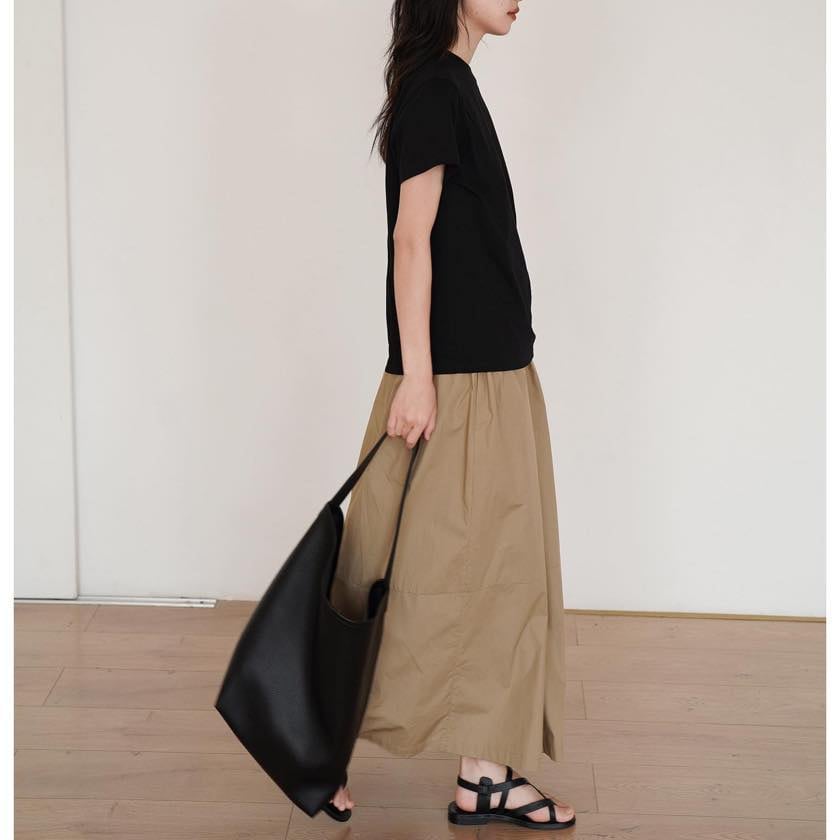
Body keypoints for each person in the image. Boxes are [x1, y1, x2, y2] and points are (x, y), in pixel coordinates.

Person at [328, 0, 576, 830]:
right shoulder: (437, 87)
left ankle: (482, 775)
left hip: (486, 376)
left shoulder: (448, 84)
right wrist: (419, 377)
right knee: (402, 575)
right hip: (457, 383)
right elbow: (412, 237)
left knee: (482, 578)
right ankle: (311, 738)